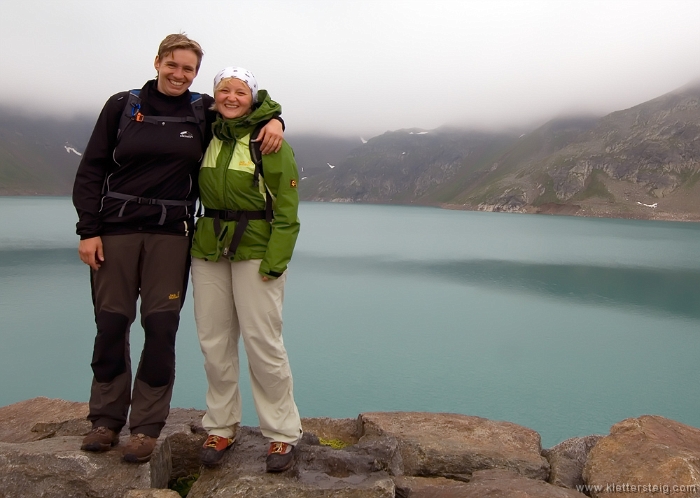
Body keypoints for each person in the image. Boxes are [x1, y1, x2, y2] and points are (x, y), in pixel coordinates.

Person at [72, 34, 284, 463]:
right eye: (173, 65)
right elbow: (92, 166)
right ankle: (105, 420)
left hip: (171, 235)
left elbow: (248, 107)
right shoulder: (123, 105)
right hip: (114, 232)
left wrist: (278, 121)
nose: (179, 74)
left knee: (161, 328)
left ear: (196, 74)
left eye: (188, 69)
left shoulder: (201, 109)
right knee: (111, 325)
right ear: (157, 62)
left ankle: (146, 427)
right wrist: (88, 229)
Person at [190, 67, 302, 472]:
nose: (231, 97)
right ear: (214, 95)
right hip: (208, 249)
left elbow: (287, 213)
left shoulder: (268, 142)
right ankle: (221, 426)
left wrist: (276, 262)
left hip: (256, 251)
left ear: (252, 98)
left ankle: (282, 434)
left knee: (263, 344)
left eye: (240, 91)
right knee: (213, 341)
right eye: (224, 90)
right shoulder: (207, 132)